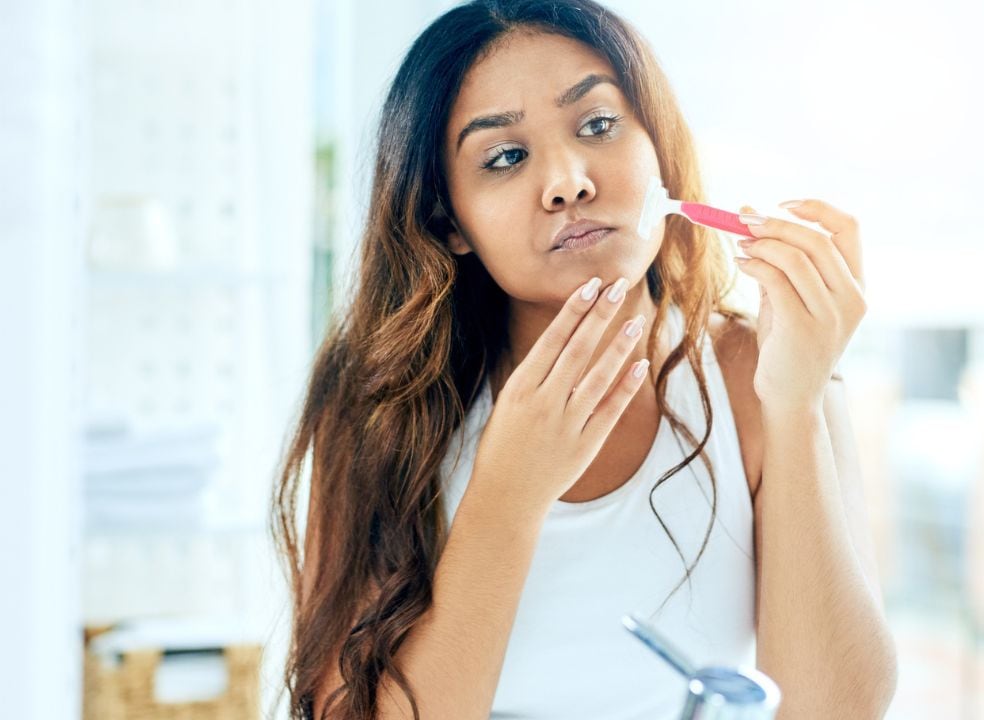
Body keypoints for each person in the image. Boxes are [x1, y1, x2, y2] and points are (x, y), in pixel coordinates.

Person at [270, 1, 895, 718]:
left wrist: (798, 403)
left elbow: (833, 710)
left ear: (657, 148)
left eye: (597, 124)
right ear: (449, 224)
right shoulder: (377, 403)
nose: (568, 181)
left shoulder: (763, 373)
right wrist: (507, 493)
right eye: (505, 157)